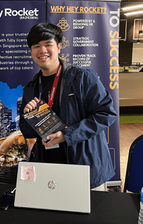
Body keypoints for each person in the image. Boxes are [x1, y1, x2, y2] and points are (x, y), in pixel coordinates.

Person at [19, 22, 117, 191]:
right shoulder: (31, 88)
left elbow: (106, 114)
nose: (42, 51)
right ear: (31, 51)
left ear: (58, 46)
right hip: (49, 170)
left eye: (47, 44)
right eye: (36, 46)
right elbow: (27, 132)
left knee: (90, 217)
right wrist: (29, 117)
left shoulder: (83, 77)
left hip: (85, 167)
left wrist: (67, 135)